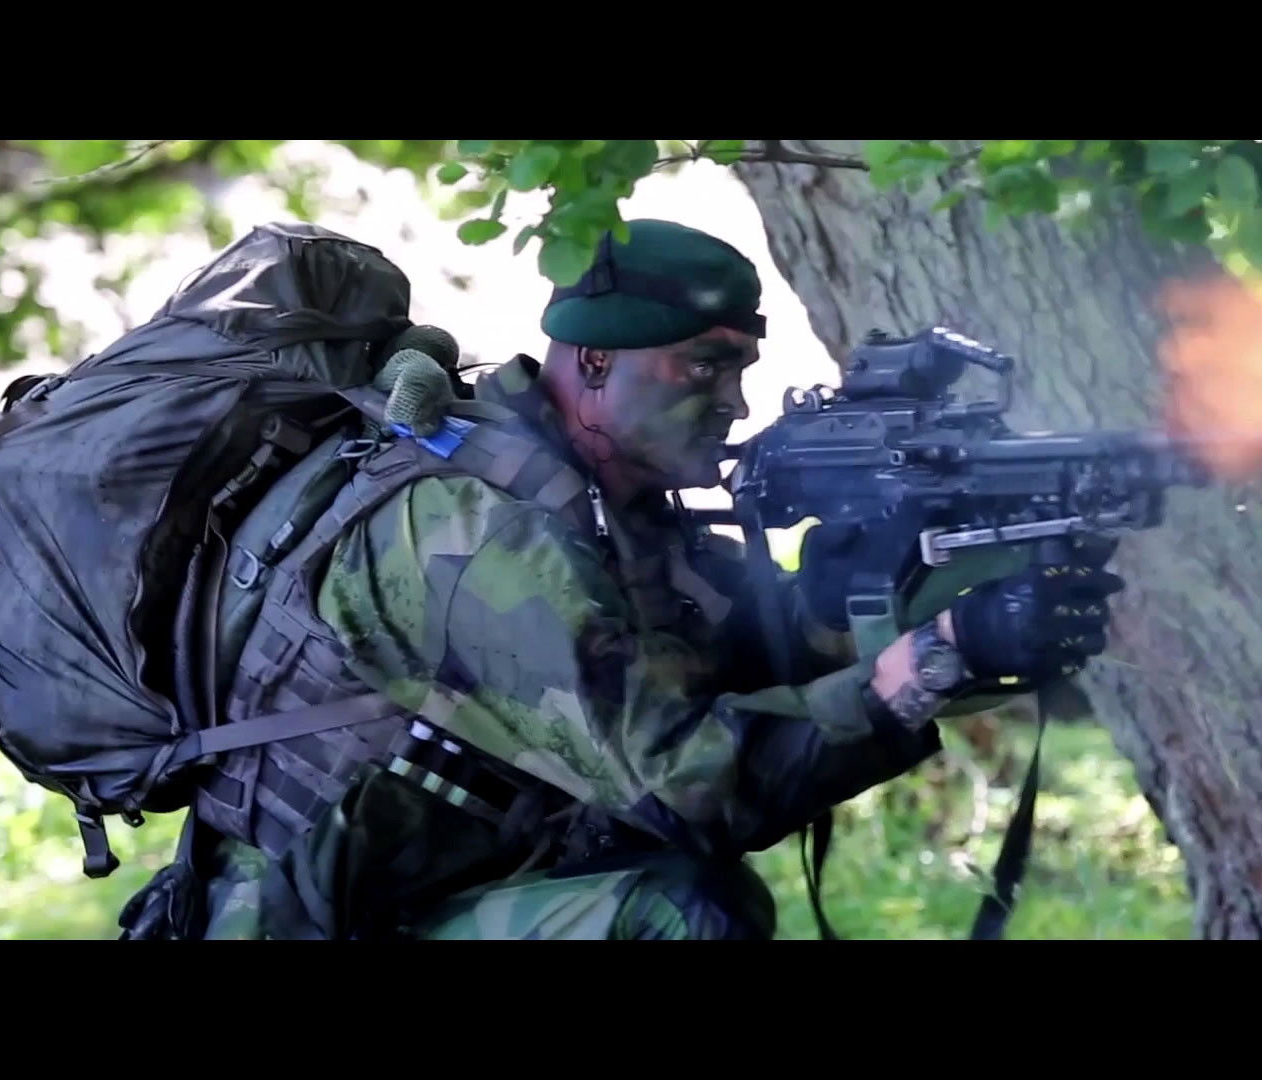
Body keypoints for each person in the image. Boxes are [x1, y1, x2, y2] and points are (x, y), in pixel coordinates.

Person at [182, 219, 1125, 940]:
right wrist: (934, 659)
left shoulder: (616, 509)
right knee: (684, 913)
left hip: (477, 879)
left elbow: (738, 671)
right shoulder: (476, 528)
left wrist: (857, 598)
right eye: (703, 366)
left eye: (740, 368)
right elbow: (692, 785)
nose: (735, 403)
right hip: (323, 914)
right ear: (595, 361)